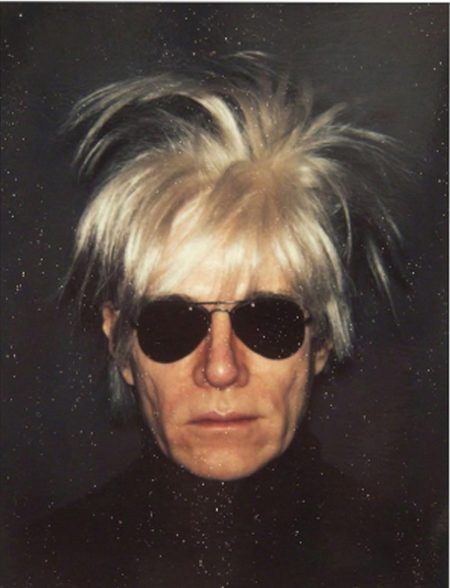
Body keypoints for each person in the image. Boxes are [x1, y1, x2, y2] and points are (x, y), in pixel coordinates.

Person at [7, 52, 428, 587]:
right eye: (172, 324)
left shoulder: (417, 561)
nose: (222, 369)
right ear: (120, 344)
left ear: (320, 341)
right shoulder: (35, 566)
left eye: (269, 321)